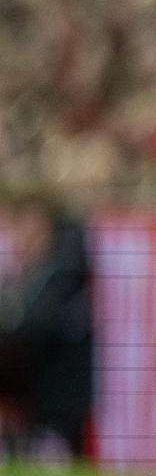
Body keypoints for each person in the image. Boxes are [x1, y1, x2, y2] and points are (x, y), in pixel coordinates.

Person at [0, 189, 92, 459]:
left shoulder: (64, 267)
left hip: (56, 396)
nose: (22, 236)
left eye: (27, 225)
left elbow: (35, 324)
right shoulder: (24, 272)